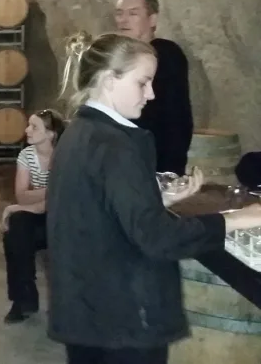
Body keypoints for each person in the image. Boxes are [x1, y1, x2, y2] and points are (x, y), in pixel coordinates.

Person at [47, 32, 261, 364]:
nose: (151, 94)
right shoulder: (117, 145)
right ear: (109, 79)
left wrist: (155, 200)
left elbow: (93, 214)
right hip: (127, 316)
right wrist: (237, 219)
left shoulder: (78, 133)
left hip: (88, 308)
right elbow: (157, 239)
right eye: (142, 82)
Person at [115, 0, 193, 175]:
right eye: (119, 13)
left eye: (133, 13)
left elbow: (176, 113)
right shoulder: (118, 56)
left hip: (154, 159)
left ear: (152, 20)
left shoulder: (166, 54)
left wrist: (170, 168)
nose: (123, 20)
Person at [0, 108, 65, 324]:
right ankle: (23, 300)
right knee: (16, 231)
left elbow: (68, 198)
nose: (27, 130)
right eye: (29, 124)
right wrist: (52, 193)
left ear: (50, 134)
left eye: (34, 127)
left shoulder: (65, 155)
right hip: (44, 212)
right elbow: (21, 195)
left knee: (18, 217)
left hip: (65, 218)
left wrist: (39, 201)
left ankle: (66, 306)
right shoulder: (26, 155)